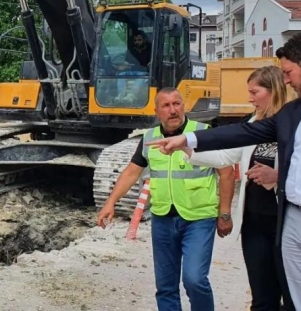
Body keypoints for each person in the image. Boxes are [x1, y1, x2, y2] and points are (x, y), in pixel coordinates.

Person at [147, 33, 301, 311]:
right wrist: (187, 140)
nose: (287, 81)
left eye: (289, 72)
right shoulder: (294, 111)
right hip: (294, 227)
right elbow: (244, 132)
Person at [97, 87, 235, 311]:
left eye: (177, 104)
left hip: (199, 219)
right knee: (166, 286)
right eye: (166, 106)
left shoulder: (203, 133)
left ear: (184, 106)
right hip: (162, 219)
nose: (173, 110)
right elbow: (132, 171)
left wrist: (225, 213)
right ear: (156, 111)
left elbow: (226, 172)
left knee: (195, 280)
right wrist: (110, 202)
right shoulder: (149, 138)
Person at [182, 65, 296, 311]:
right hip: (255, 224)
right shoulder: (253, 123)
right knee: (262, 298)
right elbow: (226, 156)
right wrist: (187, 150)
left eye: (255, 92)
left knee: (293, 297)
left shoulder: (294, 124)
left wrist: (277, 176)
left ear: (273, 90)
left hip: (286, 225)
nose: (249, 98)